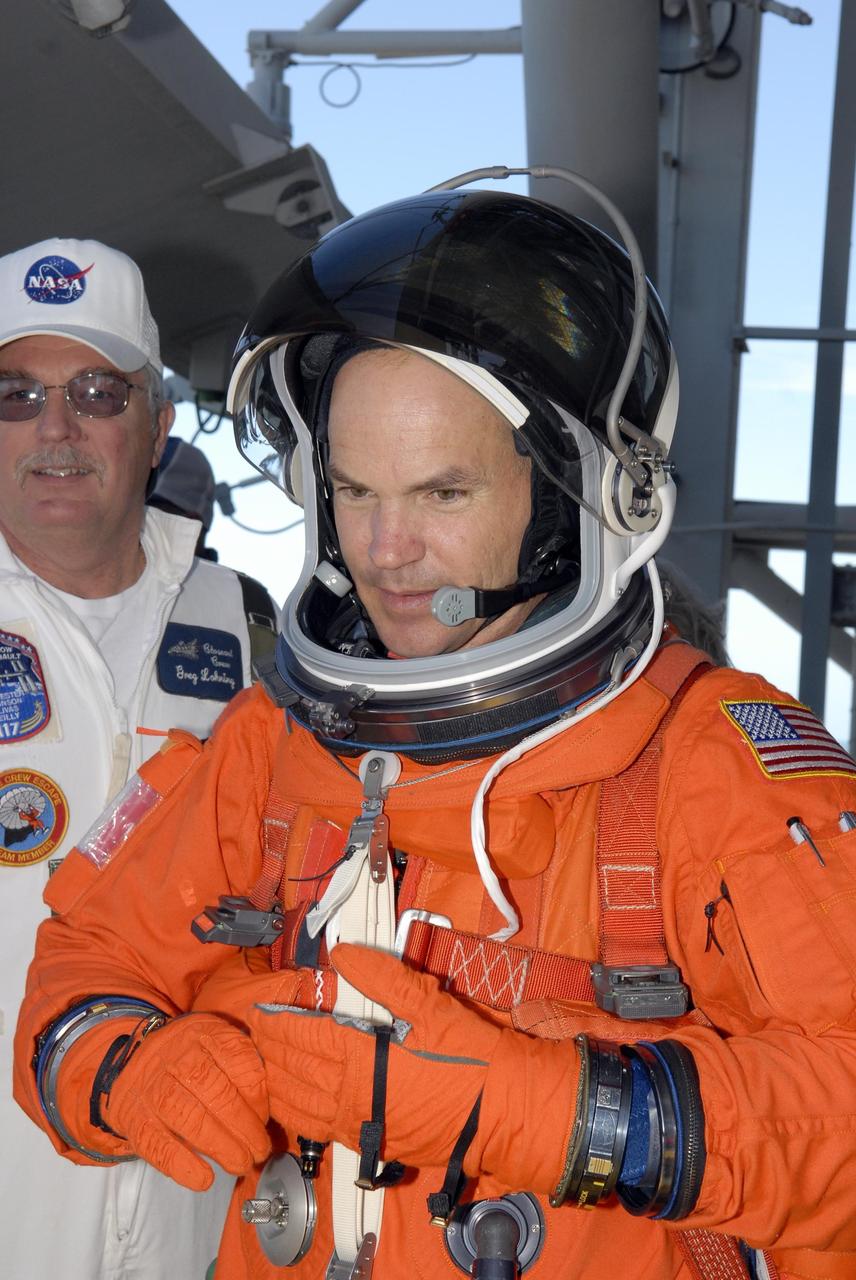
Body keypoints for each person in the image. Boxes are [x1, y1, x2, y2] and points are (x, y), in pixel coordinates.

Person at [14, 190, 856, 1280]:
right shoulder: (275, 742)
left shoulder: (710, 762)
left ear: (571, 497)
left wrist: (542, 1110)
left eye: (443, 491)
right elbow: (88, 960)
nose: (385, 549)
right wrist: (124, 1065)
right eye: (354, 490)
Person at [0, 236, 276, 1280]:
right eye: (16, 395)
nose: (54, 428)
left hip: (193, 1209)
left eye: (96, 393)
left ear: (157, 425)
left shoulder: (251, 631)